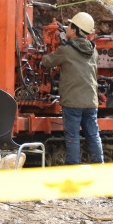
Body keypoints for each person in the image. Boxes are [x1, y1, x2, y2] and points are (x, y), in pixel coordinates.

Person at [41, 12, 104, 165]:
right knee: (93, 135)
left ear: (75, 30)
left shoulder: (67, 50)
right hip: (90, 102)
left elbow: (46, 62)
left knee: (72, 137)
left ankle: (72, 168)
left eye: (69, 26)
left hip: (72, 102)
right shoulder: (93, 50)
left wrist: (55, 48)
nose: (67, 28)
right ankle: (99, 165)